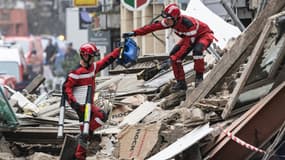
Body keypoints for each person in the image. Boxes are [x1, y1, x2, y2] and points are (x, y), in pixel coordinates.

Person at [123, 3, 215, 90]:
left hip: (203, 35)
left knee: (197, 51)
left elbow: (188, 45)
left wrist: (176, 57)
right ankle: (181, 83)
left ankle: (199, 77)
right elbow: (151, 27)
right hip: (189, 37)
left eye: (168, 19)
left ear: (175, 18)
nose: (166, 21)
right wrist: (135, 33)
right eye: (165, 18)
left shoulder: (189, 24)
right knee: (173, 54)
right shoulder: (170, 21)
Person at [62, 42, 122, 160]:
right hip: (81, 107)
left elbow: (105, 61)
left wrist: (117, 52)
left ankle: (84, 135)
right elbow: (66, 89)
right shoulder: (76, 73)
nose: (94, 58)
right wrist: (74, 103)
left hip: (89, 105)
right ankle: (79, 156)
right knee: (86, 134)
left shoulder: (92, 68)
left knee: (101, 117)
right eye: (92, 56)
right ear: (85, 56)